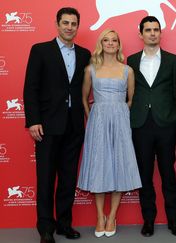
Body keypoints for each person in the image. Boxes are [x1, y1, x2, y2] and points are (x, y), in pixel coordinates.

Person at [23, 7, 91, 243]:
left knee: (68, 178)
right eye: (65, 23)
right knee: (45, 179)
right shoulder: (41, 50)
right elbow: (30, 88)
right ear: (57, 24)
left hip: (74, 126)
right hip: (47, 126)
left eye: (73, 23)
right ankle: (45, 229)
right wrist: (33, 121)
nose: (69, 27)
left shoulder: (85, 54)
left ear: (77, 26)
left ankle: (64, 224)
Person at [77, 29, 141, 238]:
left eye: (114, 40)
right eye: (106, 40)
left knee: (119, 165)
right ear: (101, 43)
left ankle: (112, 216)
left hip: (121, 123)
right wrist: (93, 116)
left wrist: (120, 113)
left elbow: (131, 99)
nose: (111, 43)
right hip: (98, 122)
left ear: (119, 44)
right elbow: (85, 98)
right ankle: (99, 216)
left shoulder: (127, 71)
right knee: (99, 167)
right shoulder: (90, 69)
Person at [127, 16, 176, 237]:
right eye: (148, 30)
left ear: (161, 33)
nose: (152, 33)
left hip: (166, 123)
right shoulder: (130, 61)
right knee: (144, 175)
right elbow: (127, 92)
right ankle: (148, 220)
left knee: (168, 174)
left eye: (156, 30)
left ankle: (173, 220)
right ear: (141, 34)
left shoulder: (172, 60)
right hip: (140, 123)